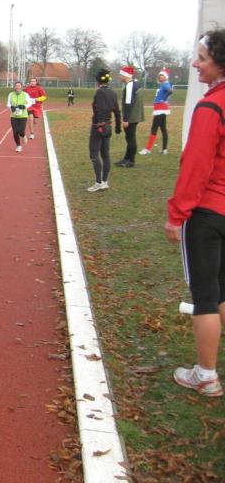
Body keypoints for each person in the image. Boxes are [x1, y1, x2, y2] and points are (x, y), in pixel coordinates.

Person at [164, 29, 225, 398]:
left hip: (208, 213)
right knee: (222, 289)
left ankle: (205, 375)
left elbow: (196, 166)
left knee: (204, 295)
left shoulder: (211, 106)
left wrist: (177, 214)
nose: (195, 64)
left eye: (202, 58)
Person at [87, 69, 122, 192]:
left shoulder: (99, 93)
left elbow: (100, 109)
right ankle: (105, 181)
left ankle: (98, 182)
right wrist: (118, 126)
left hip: (99, 127)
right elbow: (117, 111)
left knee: (94, 154)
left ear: (98, 81)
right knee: (105, 155)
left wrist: (100, 125)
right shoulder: (113, 93)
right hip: (108, 126)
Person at [139, 68, 173, 155]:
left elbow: (170, 91)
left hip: (160, 108)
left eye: (162, 75)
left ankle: (148, 149)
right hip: (160, 108)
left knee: (154, 128)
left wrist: (163, 99)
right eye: (159, 75)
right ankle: (164, 150)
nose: (160, 76)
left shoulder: (165, 84)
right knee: (163, 128)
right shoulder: (163, 85)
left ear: (166, 77)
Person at [116, 65, 144, 167]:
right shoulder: (135, 84)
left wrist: (125, 119)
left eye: (121, 75)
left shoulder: (129, 86)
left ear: (126, 75)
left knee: (130, 138)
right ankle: (126, 158)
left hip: (131, 117)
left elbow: (128, 103)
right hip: (134, 116)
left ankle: (131, 161)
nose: (119, 76)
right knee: (129, 138)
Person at [6, 80, 33, 153]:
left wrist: (24, 106)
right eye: (16, 86)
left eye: (19, 86)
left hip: (23, 116)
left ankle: (23, 136)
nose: (17, 87)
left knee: (21, 131)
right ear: (14, 87)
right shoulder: (11, 94)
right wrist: (11, 107)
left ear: (21, 87)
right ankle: (18, 146)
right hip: (13, 116)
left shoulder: (25, 94)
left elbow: (30, 103)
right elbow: (8, 104)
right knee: (15, 132)